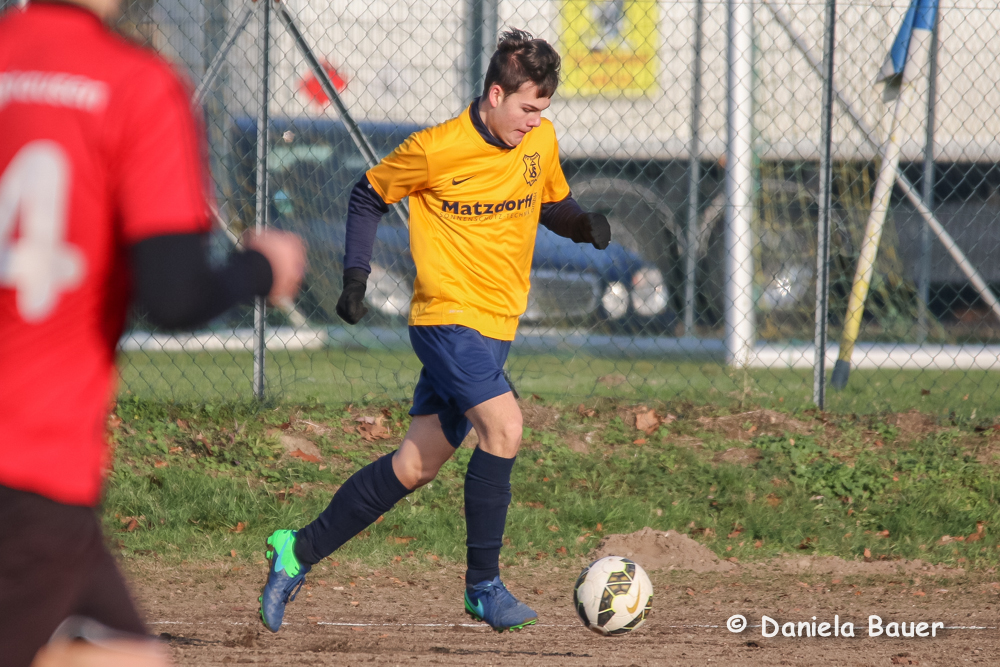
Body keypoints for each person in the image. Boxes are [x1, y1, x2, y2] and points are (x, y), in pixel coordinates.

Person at [259, 28, 611, 634]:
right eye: (527, 108)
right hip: (446, 319)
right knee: (505, 427)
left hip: (497, 325)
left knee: (414, 466)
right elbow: (368, 196)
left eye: (542, 110)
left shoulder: (539, 140)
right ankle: (483, 587)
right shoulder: (436, 148)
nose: (535, 120)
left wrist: (581, 224)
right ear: (495, 94)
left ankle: (296, 550)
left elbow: (548, 201)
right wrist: (355, 277)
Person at [0, 1, 306, 665]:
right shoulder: (133, 83)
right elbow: (174, 295)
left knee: (130, 655)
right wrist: (260, 267)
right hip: (29, 461)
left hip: (36, 489)